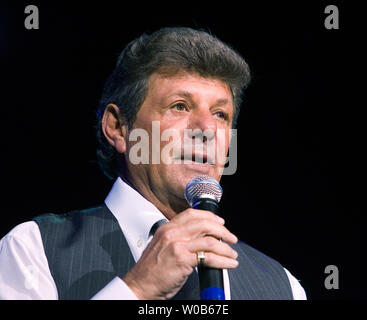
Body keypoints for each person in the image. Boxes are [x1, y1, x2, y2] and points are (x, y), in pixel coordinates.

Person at [0, 27, 306, 300]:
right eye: (180, 106)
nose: (206, 129)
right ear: (119, 128)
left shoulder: (283, 286)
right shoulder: (32, 250)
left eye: (220, 114)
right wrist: (137, 289)